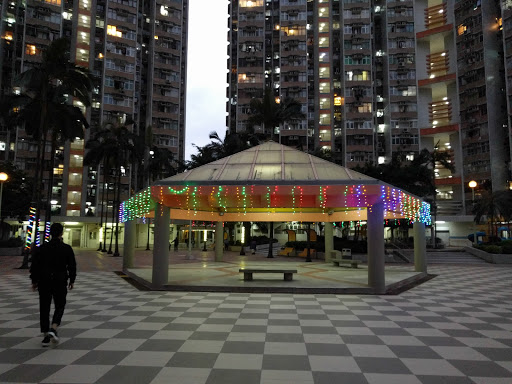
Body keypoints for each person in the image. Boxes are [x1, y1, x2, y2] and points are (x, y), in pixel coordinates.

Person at [30, 223, 76, 347]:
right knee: (60, 305)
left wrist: (34, 281)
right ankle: (54, 327)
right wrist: (72, 280)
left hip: (44, 280)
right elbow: (72, 265)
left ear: (50, 233)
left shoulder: (41, 248)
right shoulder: (66, 248)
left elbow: (35, 266)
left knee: (44, 306)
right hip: (60, 280)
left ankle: (46, 336)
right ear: (61, 233)